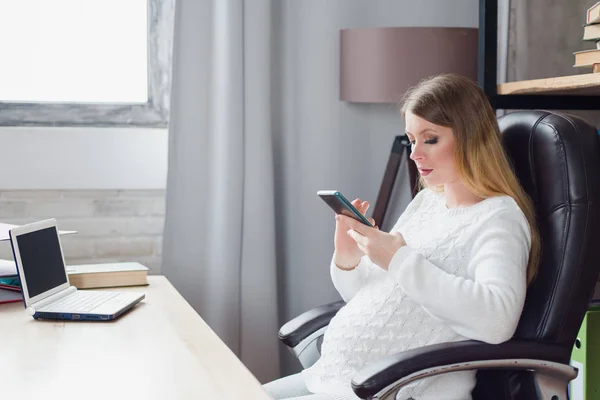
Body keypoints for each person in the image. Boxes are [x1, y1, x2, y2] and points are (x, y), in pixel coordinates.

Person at [263, 74, 540, 400]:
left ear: (471, 137)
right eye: (411, 140)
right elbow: (372, 297)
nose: (414, 154)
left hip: (392, 391)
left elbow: (497, 320)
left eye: (431, 139)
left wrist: (398, 259)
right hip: (331, 377)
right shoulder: (428, 201)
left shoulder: (498, 219)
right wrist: (349, 259)